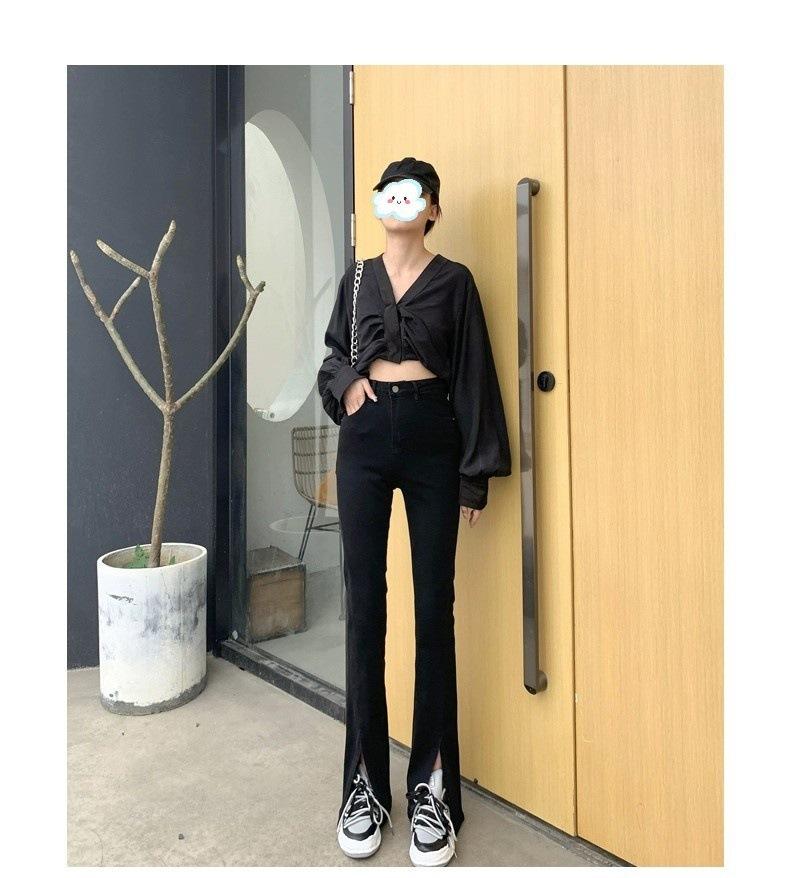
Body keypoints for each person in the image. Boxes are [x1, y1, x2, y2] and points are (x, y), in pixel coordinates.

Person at [317, 157, 511, 866]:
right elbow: (332, 357)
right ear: (379, 205)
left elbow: (475, 373)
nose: (400, 203)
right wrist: (350, 385)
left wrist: (474, 476)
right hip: (366, 439)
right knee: (364, 608)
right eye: (389, 192)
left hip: (434, 437)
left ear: (432, 209)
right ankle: (364, 787)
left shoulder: (455, 282)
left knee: (435, 610)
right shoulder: (357, 280)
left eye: (414, 194)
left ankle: (432, 789)